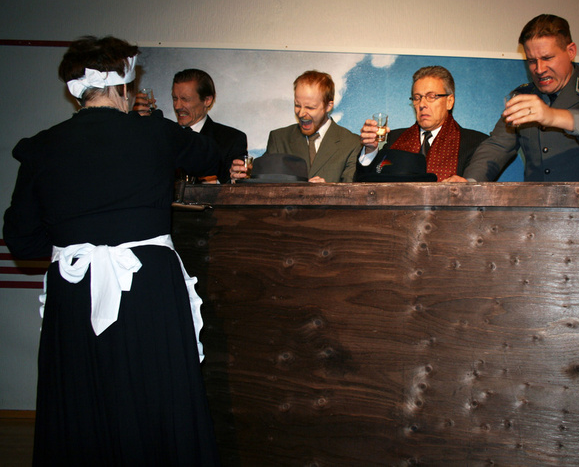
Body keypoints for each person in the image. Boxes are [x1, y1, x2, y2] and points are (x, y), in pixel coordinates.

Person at [3, 36, 221, 465]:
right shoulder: (156, 132)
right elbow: (208, 156)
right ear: (124, 86)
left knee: (81, 403)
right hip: (148, 286)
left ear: (77, 91)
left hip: (75, 286)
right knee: (157, 397)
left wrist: (75, 240)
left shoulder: (42, 146)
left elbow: (21, 239)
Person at [461, 14, 579, 182]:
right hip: (538, 205)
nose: (539, 69)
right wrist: (469, 183)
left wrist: (553, 116)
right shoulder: (523, 96)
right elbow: (497, 146)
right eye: (532, 61)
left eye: (547, 58)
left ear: (571, 51)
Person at [356, 66, 488, 182]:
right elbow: (366, 183)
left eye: (431, 96)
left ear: (449, 101)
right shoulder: (394, 139)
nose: (422, 104)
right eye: (417, 98)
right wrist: (370, 150)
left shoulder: (476, 143)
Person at [230, 70, 361, 183]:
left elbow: (353, 194)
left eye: (310, 107)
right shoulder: (279, 139)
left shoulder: (352, 144)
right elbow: (261, 184)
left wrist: (327, 191)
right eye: (297, 105)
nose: (301, 113)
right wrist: (240, 177)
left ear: (328, 106)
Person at [135, 68, 247, 183]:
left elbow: (233, 185)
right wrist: (137, 123)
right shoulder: (162, 135)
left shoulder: (231, 140)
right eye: (175, 98)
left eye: (185, 99)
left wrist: (234, 179)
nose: (177, 106)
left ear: (207, 100)